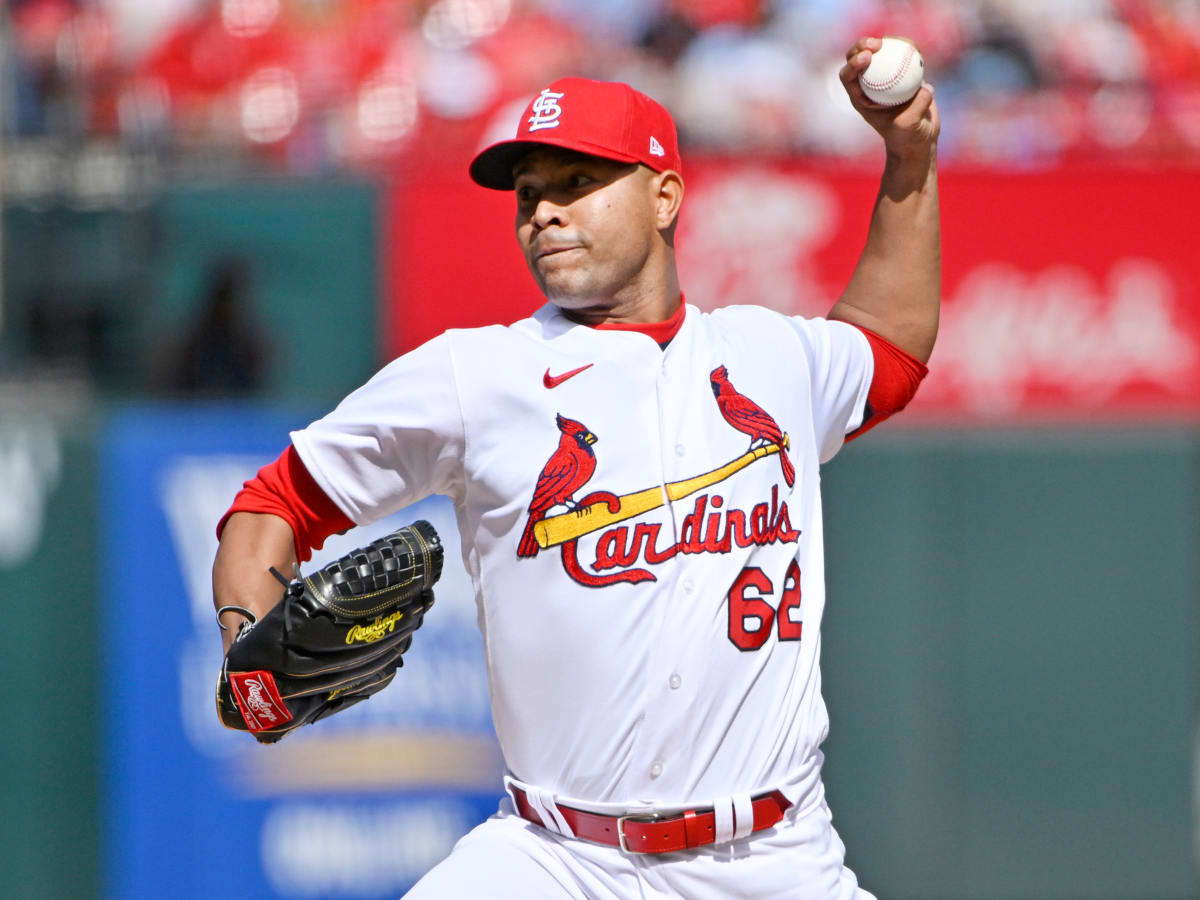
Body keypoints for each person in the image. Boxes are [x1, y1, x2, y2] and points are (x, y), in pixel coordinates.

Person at [212, 36, 939, 899]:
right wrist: (246, 650)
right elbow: (275, 502)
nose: (545, 213)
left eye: (578, 184)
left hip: (774, 860)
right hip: (555, 859)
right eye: (529, 195)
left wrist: (909, 154)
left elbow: (890, 346)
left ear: (666, 195)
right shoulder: (477, 375)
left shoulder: (771, 357)